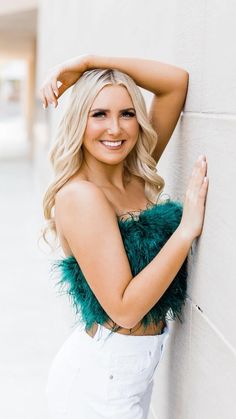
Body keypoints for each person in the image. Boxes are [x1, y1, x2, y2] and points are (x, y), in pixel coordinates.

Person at [39, 55, 208, 419]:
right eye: (98, 114)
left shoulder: (134, 174)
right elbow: (125, 309)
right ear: (78, 121)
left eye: (127, 113)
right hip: (99, 382)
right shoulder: (80, 196)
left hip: (131, 372)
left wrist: (86, 62)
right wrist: (185, 230)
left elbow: (175, 82)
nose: (114, 129)